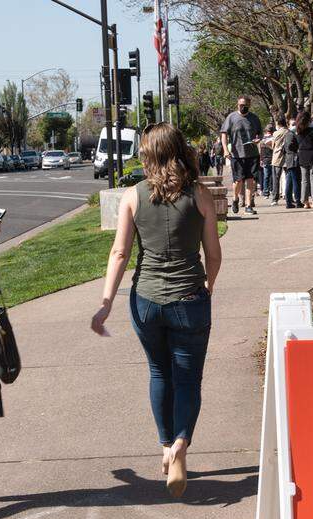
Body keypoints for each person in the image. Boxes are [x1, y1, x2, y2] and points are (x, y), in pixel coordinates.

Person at [90, 123, 222, 499]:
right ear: (180, 150)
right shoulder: (199, 195)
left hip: (145, 301)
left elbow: (120, 253)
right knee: (188, 380)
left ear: (148, 155)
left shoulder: (133, 196)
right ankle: (182, 442)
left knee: (159, 371)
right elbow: (213, 254)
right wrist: (208, 286)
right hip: (189, 300)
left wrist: (106, 303)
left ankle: (166, 446)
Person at [219, 96, 263, 215]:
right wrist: (225, 150)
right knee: (238, 181)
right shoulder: (231, 117)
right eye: (240, 105)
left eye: (245, 105)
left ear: (249, 105)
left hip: (252, 153)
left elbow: (260, 134)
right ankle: (235, 199)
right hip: (237, 154)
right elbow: (224, 134)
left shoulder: (254, 118)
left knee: (250, 180)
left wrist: (258, 139)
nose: (242, 107)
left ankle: (248, 205)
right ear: (237, 105)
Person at [294, 111, 313, 209]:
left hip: (302, 156)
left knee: (304, 180)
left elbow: (293, 146)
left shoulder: (298, 132)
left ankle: (305, 202)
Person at [269, 115, 290, 206]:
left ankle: (275, 198)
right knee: (289, 177)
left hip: (277, 157)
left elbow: (273, 146)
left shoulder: (276, 133)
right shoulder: (289, 132)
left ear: (278, 123)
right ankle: (289, 196)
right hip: (288, 157)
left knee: (276, 178)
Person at [282, 117, 302, 209]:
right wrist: (296, 149)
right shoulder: (290, 134)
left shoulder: (290, 134)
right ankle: (297, 201)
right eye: (292, 124)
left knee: (290, 181)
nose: (295, 126)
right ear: (289, 126)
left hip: (290, 159)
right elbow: (289, 146)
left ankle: (289, 202)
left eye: (295, 124)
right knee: (296, 181)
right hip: (293, 159)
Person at [259, 123, 275, 198]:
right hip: (273, 159)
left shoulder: (262, 140)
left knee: (266, 177)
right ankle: (272, 190)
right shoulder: (274, 138)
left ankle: (266, 192)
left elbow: (261, 151)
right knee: (273, 176)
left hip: (265, 159)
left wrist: (261, 160)